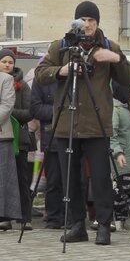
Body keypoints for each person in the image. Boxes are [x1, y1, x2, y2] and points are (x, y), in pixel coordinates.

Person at [35, 1, 130, 245]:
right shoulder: (62, 45)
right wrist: (63, 70)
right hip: (66, 123)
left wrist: (116, 58)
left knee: (101, 178)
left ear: (98, 23)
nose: (87, 24)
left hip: (97, 123)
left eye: (91, 20)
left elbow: (129, 79)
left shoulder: (109, 46)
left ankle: (103, 225)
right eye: (83, 20)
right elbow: (41, 74)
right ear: (76, 22)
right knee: (70, 179)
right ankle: (77, 225)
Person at [0, 49, 33, 231]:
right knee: (4, 179)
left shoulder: (22, 85)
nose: (7, 65)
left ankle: (25, 217)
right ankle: (5, 217)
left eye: (10, 62)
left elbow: (29, 112)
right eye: (3, 61)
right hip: (2, 136)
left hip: (19, 138)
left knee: (21, 178)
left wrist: (8, 112)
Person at [30, 79, 64, 229]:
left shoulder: (76, 77)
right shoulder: (42, 80)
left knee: (75, 180)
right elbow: (35, 109)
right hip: (51, 137)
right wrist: (59, 110)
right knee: (53, 180)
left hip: (75, 137)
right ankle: (54, 217)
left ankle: (72, 217)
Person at [110, 81, 130, 231]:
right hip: (122, 161)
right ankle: (117, 220)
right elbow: (112, 135)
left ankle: (122, 220)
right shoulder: (115, 110)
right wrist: (118, 152)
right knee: (121, 191)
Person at [0, 59, 22, 227]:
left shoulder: (5, 79)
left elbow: (7, 106)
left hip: (2, 135)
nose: (7, 64)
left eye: (10, 62)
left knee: (3, 178)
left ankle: (3, 216)